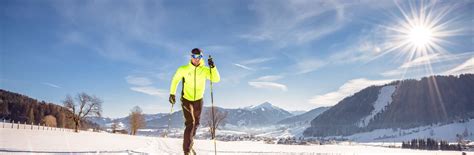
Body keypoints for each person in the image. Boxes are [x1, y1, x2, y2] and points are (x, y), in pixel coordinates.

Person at [169, 48, 220, 155]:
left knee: (196, 124)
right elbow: (175, 80)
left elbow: (216, 79)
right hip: (186, 99)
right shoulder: (183, 69)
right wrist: (172, 93)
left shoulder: (205, 70)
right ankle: (186, 151)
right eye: (194, 57)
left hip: (198, 100)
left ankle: (190, 143)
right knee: (190, 123)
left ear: (201, 58)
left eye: (199, 57)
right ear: (191, 57)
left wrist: (213, 67)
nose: (196, 59)